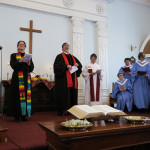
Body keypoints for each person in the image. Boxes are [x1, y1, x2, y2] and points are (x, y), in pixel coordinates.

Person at [53, 43, 82, 116]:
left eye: (68, 46)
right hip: (63, 81)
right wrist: (66, 66)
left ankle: (72, 110)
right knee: (63, 94)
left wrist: (77, 65)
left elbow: (79, 65)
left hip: (72, 80)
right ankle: (61, 110)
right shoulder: (59, 56)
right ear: (62, 48)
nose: (67, 47)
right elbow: (56, 67)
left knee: (72, 94)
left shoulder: (73, 57)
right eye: (65, 46)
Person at [8, 41, 34, 121]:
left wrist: (29, 64)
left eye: (23, 45)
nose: (22, 46)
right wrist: (20, 61)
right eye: (20, 44)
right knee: (17, 97)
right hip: (17, 79)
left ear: (25, 46)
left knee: (25, 96)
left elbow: (31, 69)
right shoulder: (13, 55)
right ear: (18, 46)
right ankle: (17, 115)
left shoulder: (28, 56)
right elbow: (13, 66)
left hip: (26, 79)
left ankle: (24, 115)